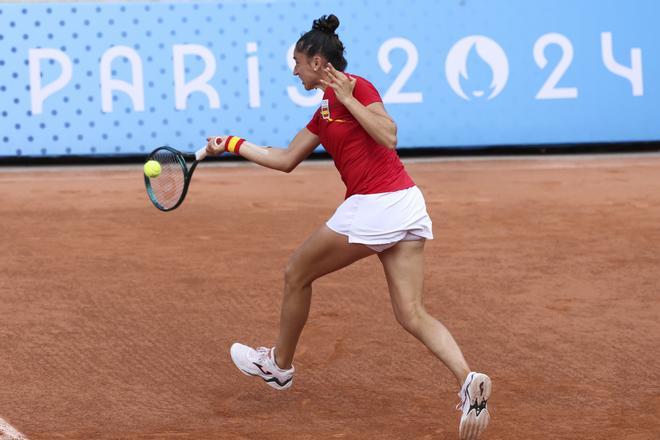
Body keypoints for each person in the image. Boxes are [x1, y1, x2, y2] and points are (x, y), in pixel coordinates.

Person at [205, 14, 491, 440]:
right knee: (411, 313)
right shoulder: (322, 110)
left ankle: (279, 366)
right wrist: (232, 144)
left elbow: (389, 135)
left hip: (377, 205)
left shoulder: (356, 86)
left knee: (296, 272)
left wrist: (350, 98)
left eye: (298, 62)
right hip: (403, 205)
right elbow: (285, 159)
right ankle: (469, 383)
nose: (294, 70)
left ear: (319, 62)